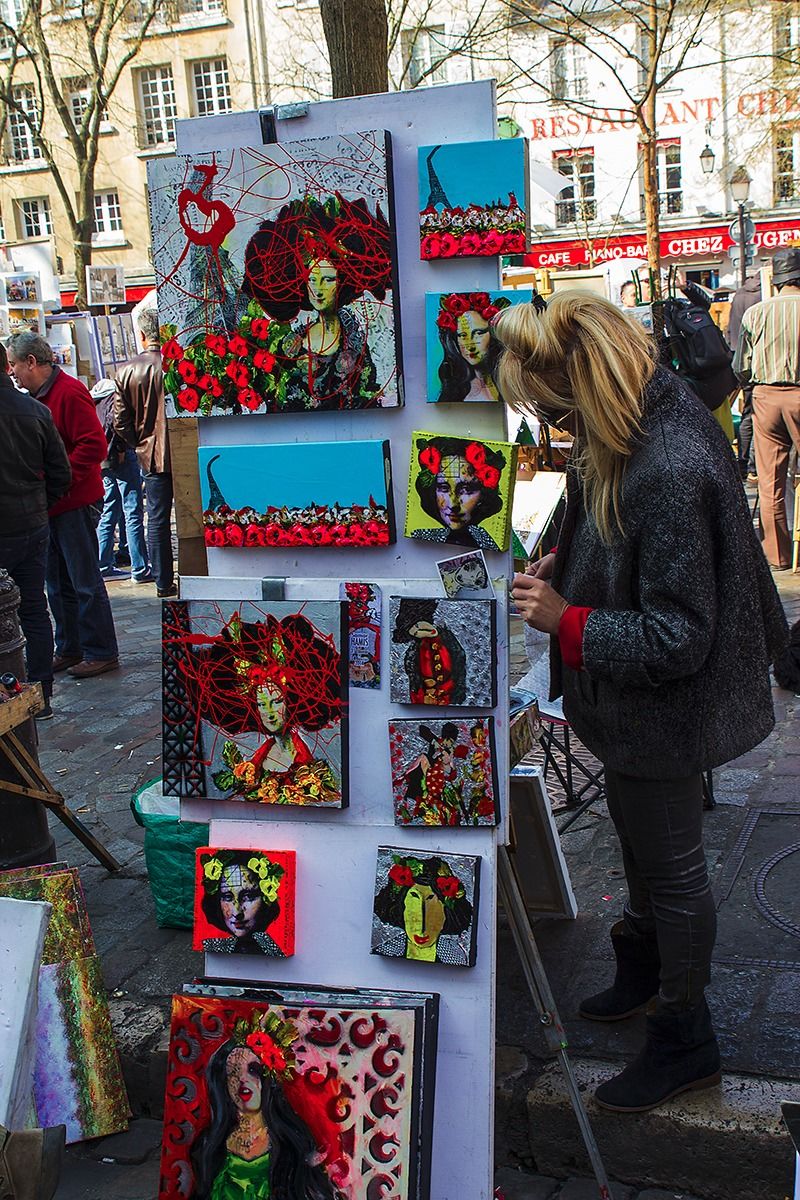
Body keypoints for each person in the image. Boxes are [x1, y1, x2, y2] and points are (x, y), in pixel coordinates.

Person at [498, 291, 787, 1114]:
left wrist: (568, 618)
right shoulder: (635, 417)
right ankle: (645, 966)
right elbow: (598, 516)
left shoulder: (665, 460)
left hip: (668, 706)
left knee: (674, 866)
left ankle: (684, 1036)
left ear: (580, 379)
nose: (553, 423)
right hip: (634, 710)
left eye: (554, 404)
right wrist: (565, 558)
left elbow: (678, 635)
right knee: (642, 840)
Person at [7, 332, 120, 679]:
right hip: (54, 503)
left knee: (84, 580)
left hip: (75, 501)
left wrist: (60, 477)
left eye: (14, 365)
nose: (12, 373)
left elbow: (94, 445)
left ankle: (101, 650)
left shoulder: (68, 391)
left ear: (31, 362)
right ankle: (69, 646)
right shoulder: (41, 396)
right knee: (57, 583)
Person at [166, 608, 343, 806]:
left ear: (290, 702)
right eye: (261, 704)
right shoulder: (255, 761)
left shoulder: (309, 764)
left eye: (276, 702)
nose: (269, 713)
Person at [241, 194, 391, 410]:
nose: (318, 289)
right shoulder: (289, 346)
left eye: (328, 279)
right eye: (311, 279)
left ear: (341, 284)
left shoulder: (356, 350)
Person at [191, 1014, 339, 1199]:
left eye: (253, 1070)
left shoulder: (293, 1145)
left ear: (268, 1080)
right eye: (233, 1073)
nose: (242, 1080)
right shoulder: (207, 1146)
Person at [0, 342, 71, 717]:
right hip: (31, 522)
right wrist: (41, 505)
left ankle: (16, 696)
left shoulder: (35, 410)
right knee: (33, 608)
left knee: (28, 609)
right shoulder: (36, 410)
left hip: (24, 521)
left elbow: (61, 474)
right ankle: (39, 695)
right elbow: (61, 473)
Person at [733, 246, 800, 569]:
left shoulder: (755, 313)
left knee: (770, 479)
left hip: (766, 397)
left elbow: (741, 365)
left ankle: (778, 554)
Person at [113, 307, 176, 598]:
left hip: (151, 454)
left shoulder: (126, 371)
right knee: (194, 517)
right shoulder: (175, 363)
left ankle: (163, 581)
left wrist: (139, 442)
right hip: (182, 448)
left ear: (141, 334)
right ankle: (196, 573)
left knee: (158, 519)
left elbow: (119, 421)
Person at [91, 378, 150, 583]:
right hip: (121, 459)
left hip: (103, 462)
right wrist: (123, 448)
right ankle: (140, 568)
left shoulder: (94, 404)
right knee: (133, 511)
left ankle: (103, 565)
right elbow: (119, 424)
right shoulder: (114, 401)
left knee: (109, 510)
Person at [373, 854, 474, 964]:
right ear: (401, 911)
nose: (421, 931)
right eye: (414, 919)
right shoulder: (385, 952)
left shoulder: (457, 959)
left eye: (432, 920)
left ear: (446, 915)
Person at [411, 435, 507, 550]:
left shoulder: (491, 546)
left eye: (466, 490)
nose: (453, 504)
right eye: (443, 488)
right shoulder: (418, 540)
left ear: (483, 494)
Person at [198, 850, 287, 957]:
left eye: (248, 896)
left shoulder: (274, 951)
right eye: (227, 897)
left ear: (265, 898)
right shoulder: (213, 949)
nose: (237, 912)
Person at [434, 292, 510, 402]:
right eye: (462, 335)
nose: (470, 344)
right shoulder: (455, 393)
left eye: (479, 333)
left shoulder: (509, 386)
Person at [391, 598, 467, 706]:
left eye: (418, 626)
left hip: (447, 691)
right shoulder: (415, 649)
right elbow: (413, 673)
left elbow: (458, 661)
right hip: (427, 695)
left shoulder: (447, 639)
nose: (420, 631)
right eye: (416, 631)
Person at [727, 273, 762, 481]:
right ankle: (752, 466)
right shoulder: (763, 295)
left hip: (739, 359)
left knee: (748, 413)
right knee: (754, 415)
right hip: (759, 363)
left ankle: (744, 463)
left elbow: (731, 328)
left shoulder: (739, 295)